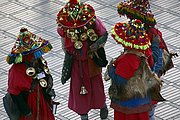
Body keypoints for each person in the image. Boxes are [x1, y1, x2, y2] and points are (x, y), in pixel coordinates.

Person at [116, 0, 178, 119]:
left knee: (149, 112)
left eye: (132, 17)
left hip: (147, 82)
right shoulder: (137, 36)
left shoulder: (152, 37)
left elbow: (156, 64)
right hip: (139, 85)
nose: (130, 21)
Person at [56, 0, 108, 119]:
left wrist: (97, 45)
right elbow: (63, 42)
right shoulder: (65, 26)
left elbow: (104, 34)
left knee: (97, 87)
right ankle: (83, 114)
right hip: (76, 63)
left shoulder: (93, 21)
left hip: (91, 60)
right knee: (78, 88)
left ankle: (102, 105)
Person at [108, 19, 163, 120]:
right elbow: (154, 61)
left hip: (127, 104)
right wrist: (155, 46)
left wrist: (111, 69)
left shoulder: (126, 60)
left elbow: (120, 80)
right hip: (142, 101)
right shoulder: (144, 54)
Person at [6, 28, 57, 120]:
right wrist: (26, 112)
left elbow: (44, 76)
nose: (34, 57)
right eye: (31, 55)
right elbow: (14, 93)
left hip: (42, 100)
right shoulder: (16, 70)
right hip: (29, 104)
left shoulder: (38, 61)